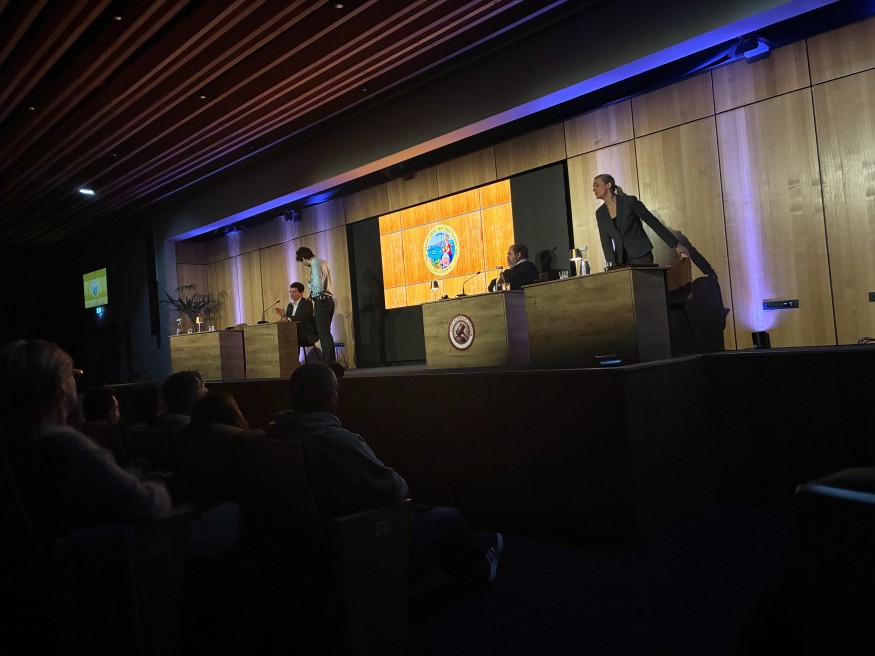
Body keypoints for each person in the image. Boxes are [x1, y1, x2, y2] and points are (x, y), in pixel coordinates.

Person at [268, 363, 503, 585]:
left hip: (304, 545)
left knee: (432, 520)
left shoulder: (275, 436)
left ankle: (476, 550)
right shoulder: (338, 441)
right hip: (355, 537)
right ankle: (480, 564)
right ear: (332, 397)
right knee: (449, 517)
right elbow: (395, 489)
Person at [0, 339, 172, 541]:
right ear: (61, 386)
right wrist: (160, 483)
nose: (76, 381)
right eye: (71, 374)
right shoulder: (65, 446)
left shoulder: (18, 441)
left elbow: (97, 484)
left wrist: (132, 473)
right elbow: (148, 505)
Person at [593, 174, 689, 266]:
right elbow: (606, 242)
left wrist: (676, 244)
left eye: (597, 185)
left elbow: (653, 223)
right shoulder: (600, 213)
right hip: (621, 261)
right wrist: (611, 267)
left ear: (608, 185)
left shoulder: (629, 202)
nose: (594, 189)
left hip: (641, 255)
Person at [295, 246, 336, 363]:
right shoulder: (323, 262)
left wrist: (309, 285)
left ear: (304, 258)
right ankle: (330, 361)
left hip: (321, 302)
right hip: (329, 301)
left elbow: (318, 288)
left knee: (324, 334)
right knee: (326, 333)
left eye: (302, 262)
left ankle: (328, 362)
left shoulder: (315, 265)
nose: (304, 265)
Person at [274, 281, 320, 348]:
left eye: (294, 292)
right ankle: (288, 355)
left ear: (301, 293)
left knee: (291, 338)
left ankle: (293, 355)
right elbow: (287, 320)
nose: (291, 294)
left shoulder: (307, 303)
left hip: (306, 333)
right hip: (293, 332)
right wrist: (283, 316)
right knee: (280, 337)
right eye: (290, 292)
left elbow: (303, 316)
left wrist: (288, 318)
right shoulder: (290, 306)